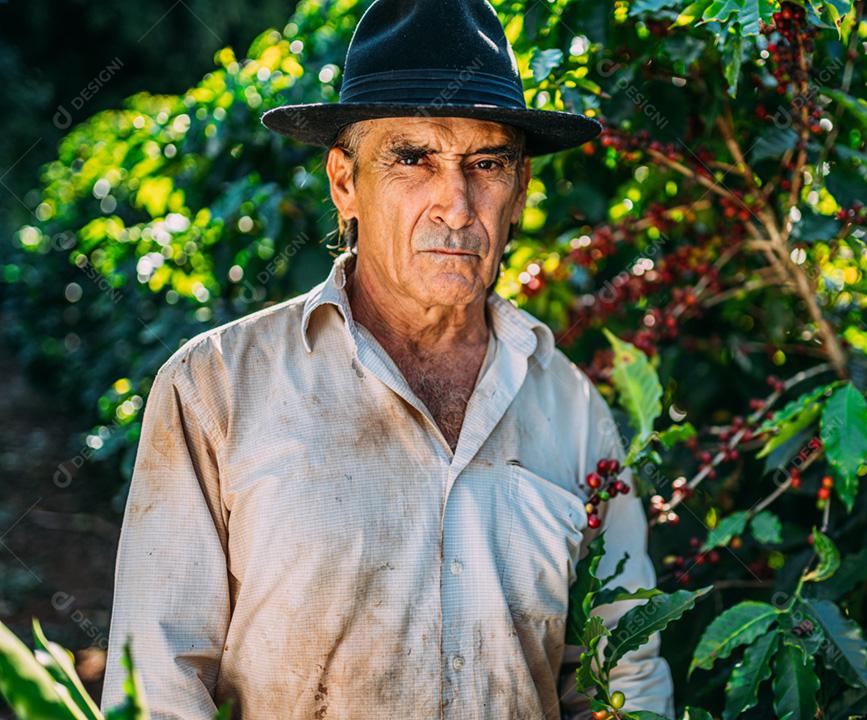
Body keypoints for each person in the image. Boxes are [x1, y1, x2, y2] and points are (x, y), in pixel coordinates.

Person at [100, 0, 675, 717]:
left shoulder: (571, 407)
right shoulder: (214, 386)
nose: (457, 205)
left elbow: (622, 674)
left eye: (488, 163)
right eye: (413, 159)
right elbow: (158, 683)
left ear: (520, 190)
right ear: (345, 183)